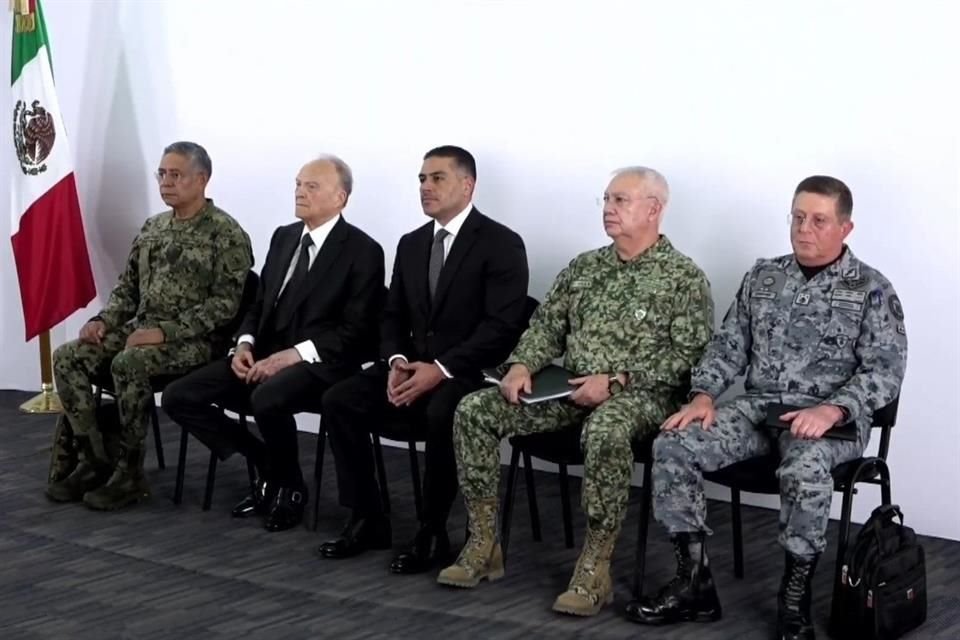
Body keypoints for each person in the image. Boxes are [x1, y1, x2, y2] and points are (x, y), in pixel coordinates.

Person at [625, 176, 908, 640]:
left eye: (818, 221)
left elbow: (885, 371)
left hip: (825, 421)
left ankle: (793, 599)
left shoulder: (871, 290)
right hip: (758, 410)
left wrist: (835, 409)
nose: (803, 229)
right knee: (674, 443)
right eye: (797, 217)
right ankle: (693, 582)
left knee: (804, 468)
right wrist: (703, 394)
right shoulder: (764, 276)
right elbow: (728, 346)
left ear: (845, 228)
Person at [437, 167, 715, 618]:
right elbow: (546, 326)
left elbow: (689, 359)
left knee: (606, 429)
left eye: (621, 200)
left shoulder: (683, 278)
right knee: (475, 410)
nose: (608, 208)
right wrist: (524, 363)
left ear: (654, 209)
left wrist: (618, 380)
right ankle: (483, 542)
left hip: (642, 396)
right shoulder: (585, 267)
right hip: (570, 389)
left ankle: (595, 568)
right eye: (606, 199)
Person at [319, 145, 530, 574]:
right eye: (421, 179)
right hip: (411, 365)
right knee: (340, 399)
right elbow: (392, 312)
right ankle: (367, 516)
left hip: (469, 371)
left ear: (467, 185)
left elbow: (502, 327)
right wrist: (396, 359)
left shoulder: (501, 243)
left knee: (443, 410)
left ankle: (432, 529)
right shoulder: (412, 243)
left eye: (437, 178)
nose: (426, 187)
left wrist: (442, 368)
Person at [162, 155, 385, 532]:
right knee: (178, 396)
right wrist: (244, 344)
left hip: (321, 363)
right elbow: (260, 302)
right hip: (264, 355)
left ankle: (290, 488)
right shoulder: (284, 237)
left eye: (311, 186)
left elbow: (356, 331)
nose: (300, 192)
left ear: (341, 198)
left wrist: (294, 355)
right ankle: (266, 461)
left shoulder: (363, 251)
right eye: (298, 184)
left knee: (267, 397)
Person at [47, 141, 253, 510]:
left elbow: (225, 306)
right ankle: (93, 459)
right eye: (162, 174)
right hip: (141, 331)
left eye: (176, 175)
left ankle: (129, 473)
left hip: (194, 341)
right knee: (68, 357)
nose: (166, 182)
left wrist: (164, 333)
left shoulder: (225, 233)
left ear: (202, 179)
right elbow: (128, 289)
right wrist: (102, 321)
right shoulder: (154, 228)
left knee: (129, 363)